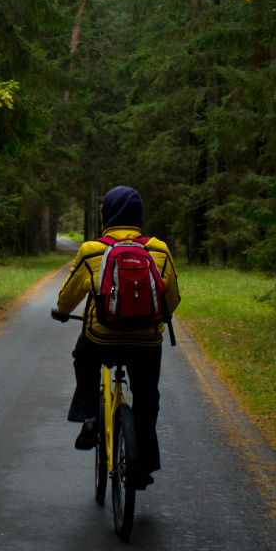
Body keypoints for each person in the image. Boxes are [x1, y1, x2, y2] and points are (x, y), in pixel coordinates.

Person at [54, 185, 180, 490]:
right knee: (147, 398)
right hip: (147, 342)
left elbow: (65, 302)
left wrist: (62, 310)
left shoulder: (91, 252)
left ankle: (90, 417)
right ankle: (143, 463)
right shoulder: (160, 250)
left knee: (82, 357)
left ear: (107, 214)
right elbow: (172, 299)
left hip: (101, 338)